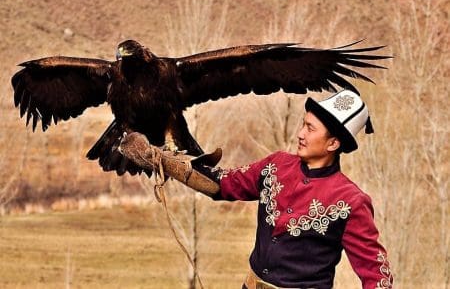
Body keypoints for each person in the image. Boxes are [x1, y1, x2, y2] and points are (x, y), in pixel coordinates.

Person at [119, 89, 394, 289]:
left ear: (333, 143)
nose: (300, 134)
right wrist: (163, 160)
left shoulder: (351, 201)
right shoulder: (276, 165)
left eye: (310, 129)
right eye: (303, 124)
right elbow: (221, 184)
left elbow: (376, 276)